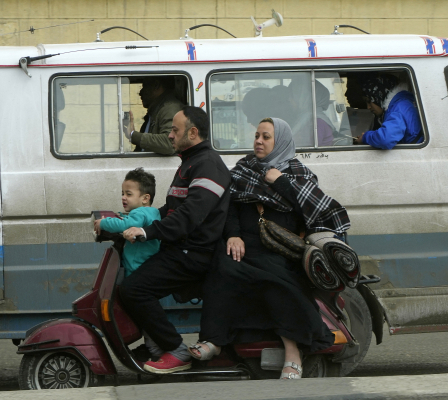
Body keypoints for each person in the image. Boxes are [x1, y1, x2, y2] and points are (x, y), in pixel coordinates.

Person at [190, 117, 351, 379]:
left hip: (282, 250)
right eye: (257, 136)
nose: (259, 141)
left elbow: (313, 211)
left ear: (281, 142)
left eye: (266, 137)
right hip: (245, 246)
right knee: (222, 268)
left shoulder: (299, 174)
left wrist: (280, 182)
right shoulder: (244, 169)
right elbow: (229, 207)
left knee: (276, 278)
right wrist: (233, 235)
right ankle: (214, 340)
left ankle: (292, 352)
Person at [119, 106, 231, 374]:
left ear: (192, 133)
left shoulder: (207, 165)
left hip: (193, 253)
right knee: (130, 286)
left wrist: (150, 232)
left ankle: (176, 350)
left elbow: (191, 214)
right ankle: (158, 344)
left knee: (133, 290)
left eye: (174, 130)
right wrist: (134, 221)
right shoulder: (190, 162)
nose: (169, 135)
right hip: (180, 248)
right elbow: (170, 209)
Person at [93, 167, 163, 360]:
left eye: (129, 194)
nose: (124, 197)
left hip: (139, 274)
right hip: (140, 272)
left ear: (145, 198)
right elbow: (127, 221)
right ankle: (152, 349)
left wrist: (103, 223)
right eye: (122, 193)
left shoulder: (143, 213)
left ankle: (156, 352)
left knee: (145, 317)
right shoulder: (147, 213)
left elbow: (125, 225)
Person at [355, 75, 422, 149]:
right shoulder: (402, 103)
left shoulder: (397, 109)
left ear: (378, 96)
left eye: (369, 101)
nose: (368, 107)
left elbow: (385, 139)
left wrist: (365, 137)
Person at [124, 77, 184, 155]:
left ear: (156, 86)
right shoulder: (155, 111)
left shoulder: (170, 108)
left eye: (144, 87)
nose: (140, 93)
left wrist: (133, 135)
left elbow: (170, 144)